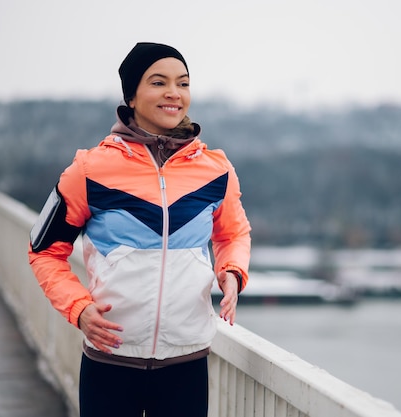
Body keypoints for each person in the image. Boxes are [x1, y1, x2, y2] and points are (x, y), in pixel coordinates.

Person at [28, 42, 252, 417]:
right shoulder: (90, 169)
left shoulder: (215, 170)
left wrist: (231, 272)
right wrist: (79, 309)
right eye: (158, 82)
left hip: (186, 361)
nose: (173, 93)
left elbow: (232, 235)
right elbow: (44, 251)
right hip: (109, 362)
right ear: (131, 96)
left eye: (182, 83)